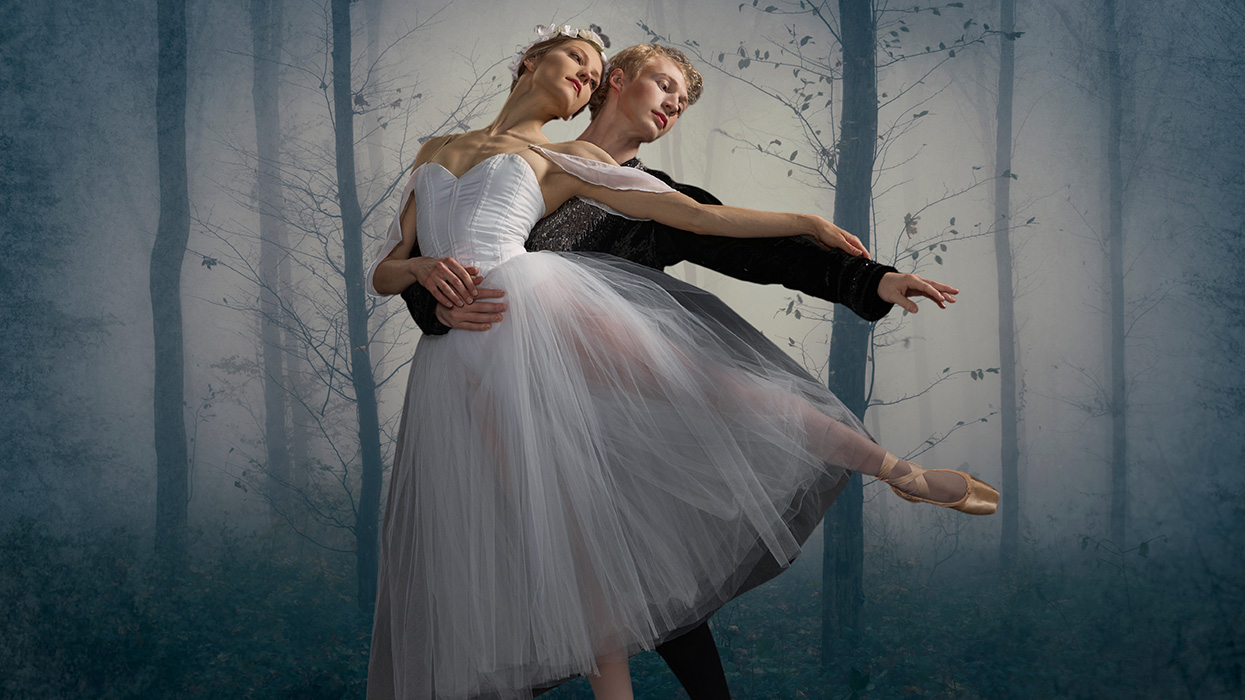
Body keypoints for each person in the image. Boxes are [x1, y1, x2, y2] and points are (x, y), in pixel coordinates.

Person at [365, 25, 997, 700]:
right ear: (614, 81)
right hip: (498, 369)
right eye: (660, 84)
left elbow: (714, 227)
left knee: (714, 409)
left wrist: (861, 271)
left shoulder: (606, 177)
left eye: (680, 100)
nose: (670, 104)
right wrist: (435, 299)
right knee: (567, 544)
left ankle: (897, 470)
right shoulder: (487, 151)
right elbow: (419, 263)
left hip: (609, 388)